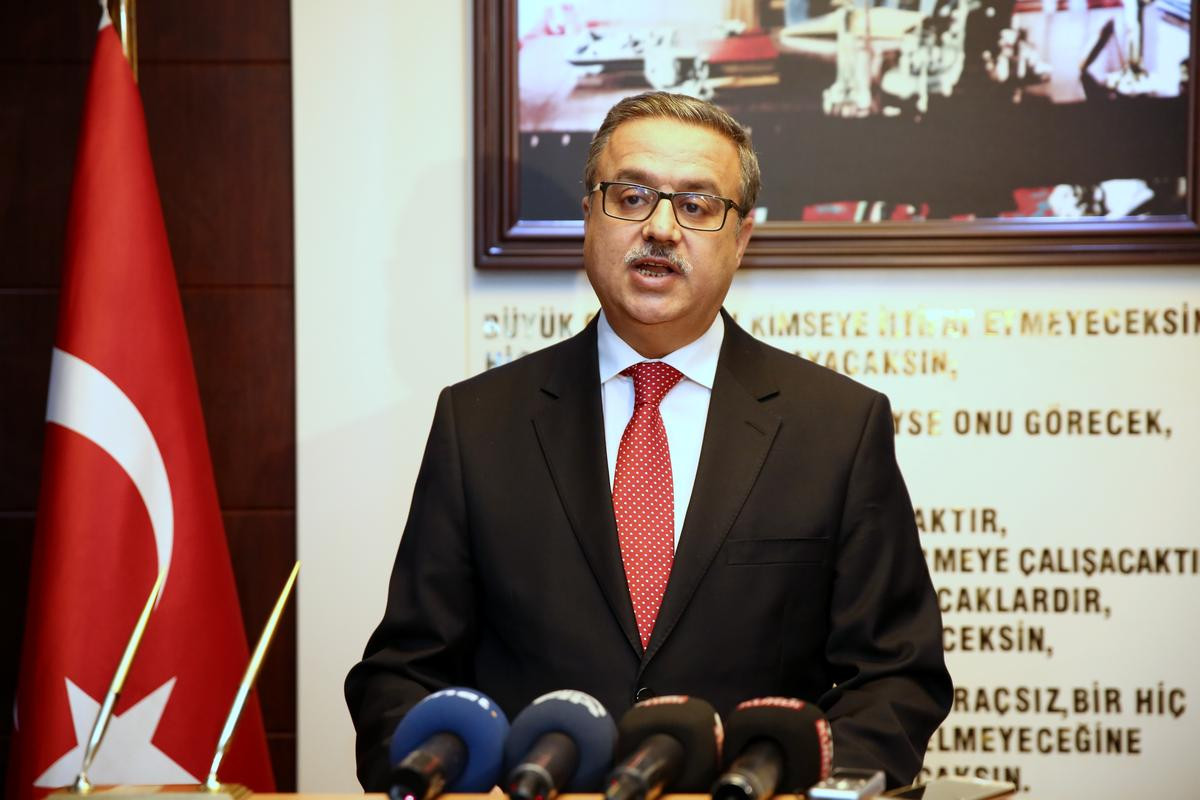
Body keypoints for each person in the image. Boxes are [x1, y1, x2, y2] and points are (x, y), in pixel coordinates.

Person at [345, 91, 951, 791]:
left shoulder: (836, 427)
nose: (661, 228)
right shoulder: (478, 423)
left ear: (741, 239)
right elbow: (405, 673)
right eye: (631, 197)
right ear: (589, 216)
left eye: (696, 205)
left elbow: (896, 678)